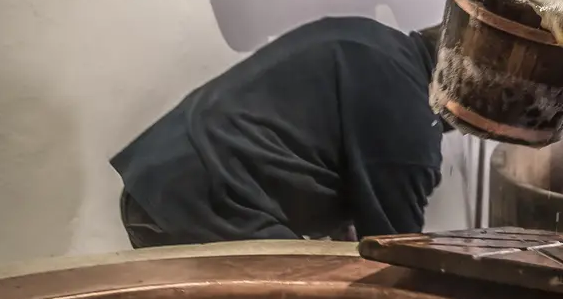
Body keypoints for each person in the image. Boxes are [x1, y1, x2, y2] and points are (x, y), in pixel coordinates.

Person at [112, 17, 445, 247]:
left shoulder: (375, 41)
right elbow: (397, 261)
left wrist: (340, 226)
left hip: (162, 178)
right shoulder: (412, 119)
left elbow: (312, 141)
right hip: (204, 200)